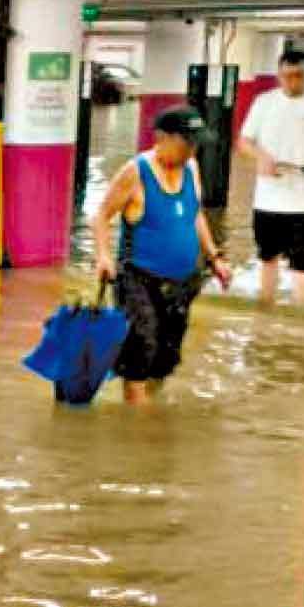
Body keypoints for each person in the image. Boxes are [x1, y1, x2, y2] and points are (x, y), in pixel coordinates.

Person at [93, 107, 233, 405]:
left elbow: (195, 215)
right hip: (138, 279)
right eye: (187, 142)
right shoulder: (136, 172)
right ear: (163, 138)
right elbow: (102, 216)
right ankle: (139, 433)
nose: (192, 149)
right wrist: (103, 257)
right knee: (140, 349)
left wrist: (215, 257)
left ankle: (149, 411)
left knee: (165, 356)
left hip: (183, 281)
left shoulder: (191, 168)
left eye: (196, 143)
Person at [238, 49, 304, 307]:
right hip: (268, 199)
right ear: (279, 75)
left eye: (298, 76)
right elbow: (244, 141)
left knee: (302, 263)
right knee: (267, 257)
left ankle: (299, 314)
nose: (292, 82)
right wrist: (262, 158)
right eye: (286, 76)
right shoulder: (264, 102)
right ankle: (265, 309)